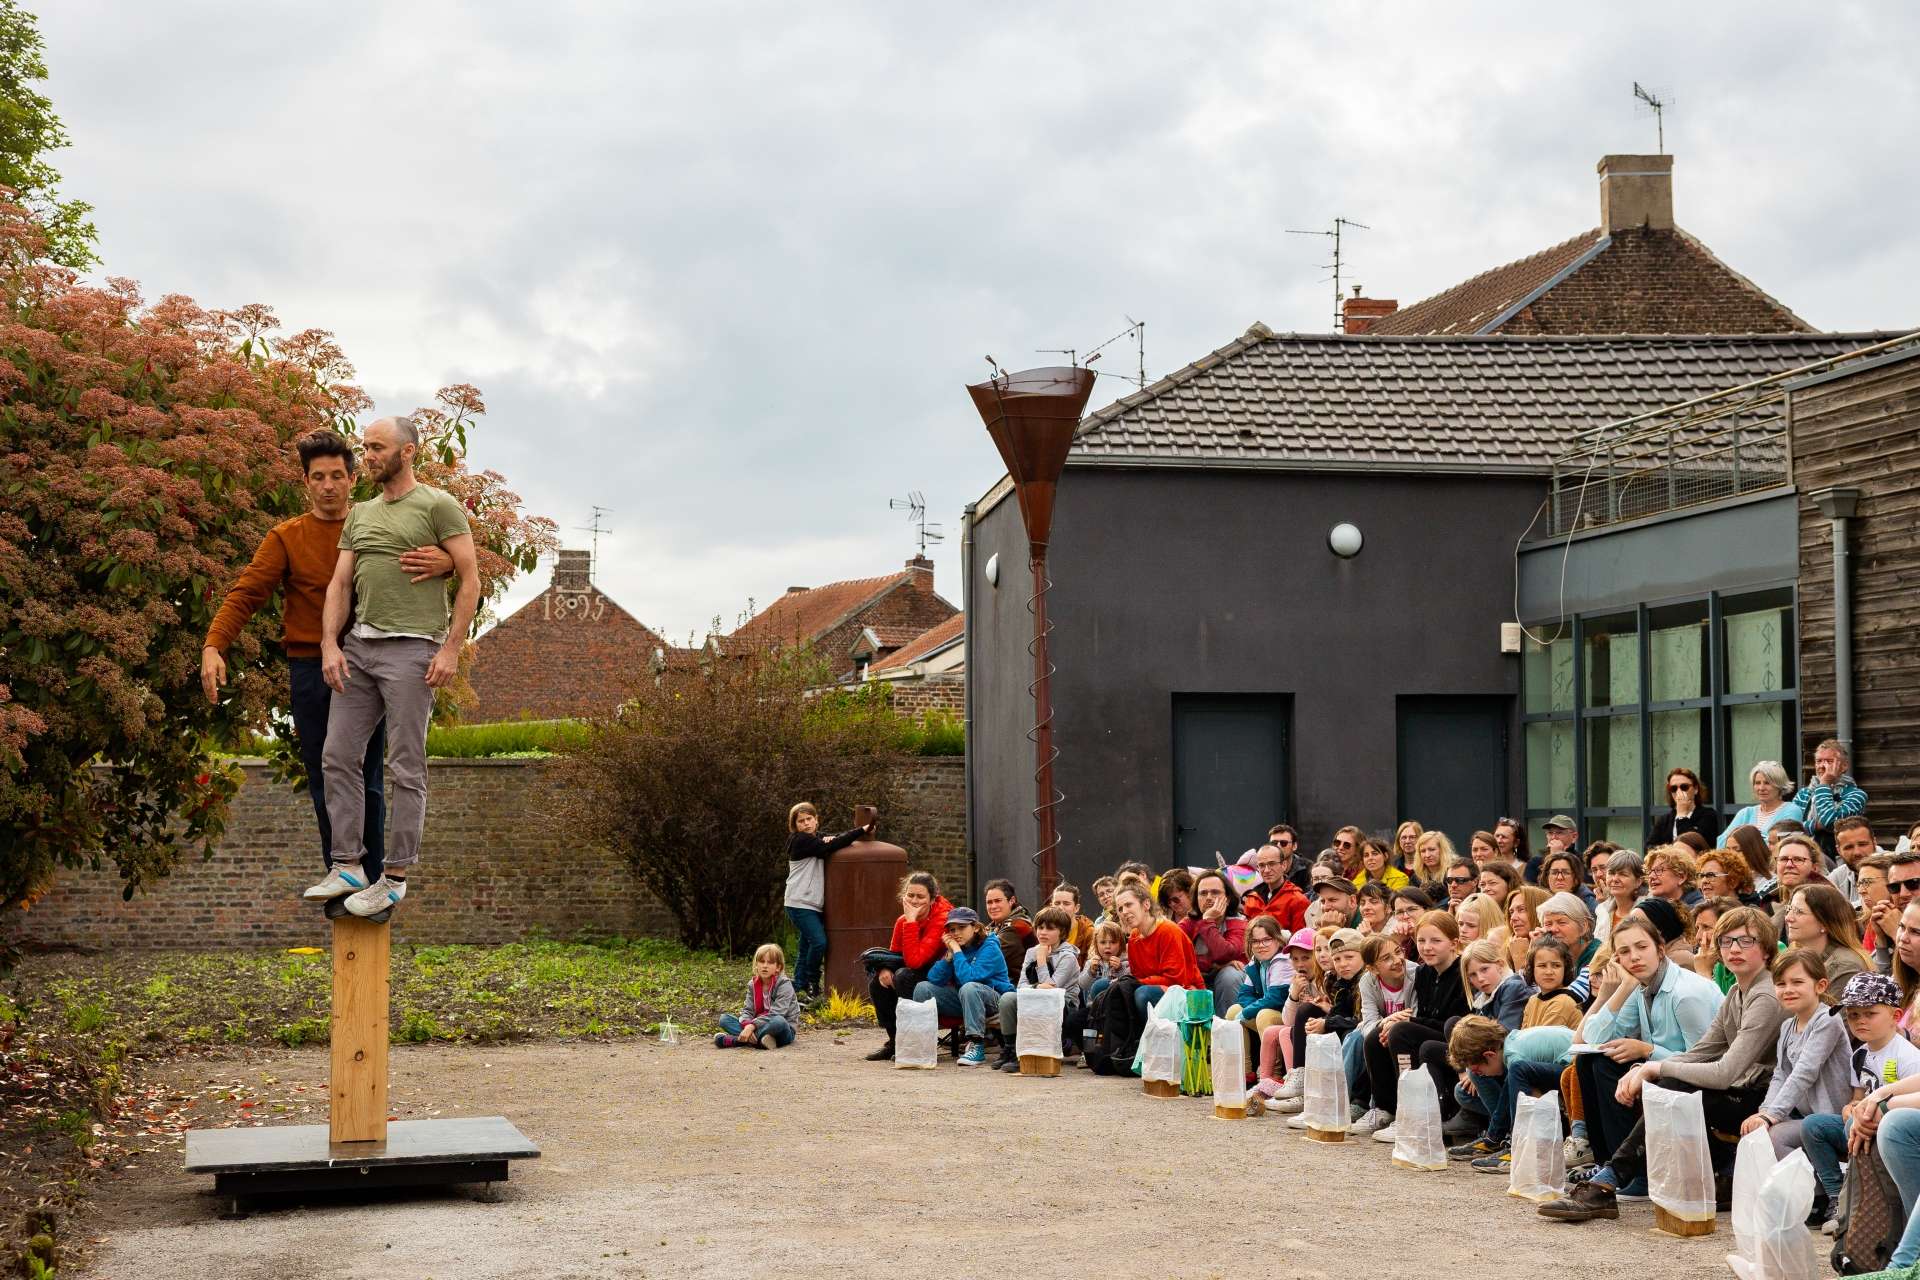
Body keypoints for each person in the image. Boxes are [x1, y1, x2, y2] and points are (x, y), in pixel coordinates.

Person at [204, 431, 452, 897]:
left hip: (373, 660)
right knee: (328, 771)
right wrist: (214, 644)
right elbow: (247, 592)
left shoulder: (377, 522)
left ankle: (379, 881)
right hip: (311, 666)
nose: (328, 485)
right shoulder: (287, 537)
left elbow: (442, 557)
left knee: (373, 776)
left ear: (353, 479)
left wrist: (450, 564)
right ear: (306, 484)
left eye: (337, 475)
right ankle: (344, 871)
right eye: (318, 477)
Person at [305, 416, 479, 919]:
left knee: (406, 767)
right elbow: (340, 584)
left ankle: (395, 876)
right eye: (366, 447)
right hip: (358, 649)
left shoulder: (438, 505)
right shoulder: (360, 514)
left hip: (412, 651)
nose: (369, 455)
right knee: (336, 756)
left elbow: (470, 578)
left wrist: (449, 650)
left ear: (407, 452)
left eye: (377, 447)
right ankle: (347, 866)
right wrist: (329, 645)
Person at [1534, 914, 1724, 1219]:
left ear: (1660, 949)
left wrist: (1648, 1051)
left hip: (1701, 1084)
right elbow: (1589, 1039)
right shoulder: (1640, 987)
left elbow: (1706, 1060)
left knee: (1608, 1065)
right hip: (1663, 1070)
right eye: (1624, 952)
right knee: (1590, 1060)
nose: (1633, 957)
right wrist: (1616, 990)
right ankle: (1609, 1168)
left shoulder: (1687, 994)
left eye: (1641, 947)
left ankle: (1636, 1174)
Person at [1801, 972, 1920, 1229]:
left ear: (1895, 1017)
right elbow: (1857, 1096)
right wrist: (1850, 1107)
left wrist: (1865, 1112)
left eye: (1870, 1014)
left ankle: (1859, 1203)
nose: (1860, 1021)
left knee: (1853, 1124)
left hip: (1889, 1126)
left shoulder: (1907, 1055)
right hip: (1862, 1123)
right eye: (1854, 1014)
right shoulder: (1859, 1054)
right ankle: (1837, 1194)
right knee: (1813, 1126)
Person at [1363, 910, 1471, 1146]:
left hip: (1456, 1042)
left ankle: (1411, 1112)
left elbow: (1453, 1024)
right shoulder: (1423, 972)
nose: (1427, 947)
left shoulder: (1463, 971)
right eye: (1421, 941)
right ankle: (1387, 1109)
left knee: (1401, 1030)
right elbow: (1423, 1016)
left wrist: (1406, 1021)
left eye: (1436, 941)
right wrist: (1395, 1020)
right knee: (1377, 1035)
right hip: (1432, 1035)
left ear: (1454, 943)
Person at [1743, 950, 1850, 1174]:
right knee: (1760, 1134)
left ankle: (1821, 1196)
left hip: (1832, 1118)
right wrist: (1764, 1111)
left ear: (1820, 986)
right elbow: (1781, 1074)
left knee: (1776, 1136)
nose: (1788, 989)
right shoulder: (1787, 1026)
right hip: (1805, 1118)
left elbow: (1805, 1071)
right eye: (1780, 983)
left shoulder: (1828, 1019)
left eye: (1797, 982)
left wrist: (1772, 1116)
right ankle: (1801, 1198)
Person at [782, 802, 874, 1002]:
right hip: (799, 902)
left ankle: (799, 985)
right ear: (795, 825)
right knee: (819, 942)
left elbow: (832, 841)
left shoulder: (814, 839)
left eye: (809, 819)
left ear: (816, 819)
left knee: (806, 946)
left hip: (811, 903)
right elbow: (832, 846)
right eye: (801, 821)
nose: (806, 824)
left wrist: (832, 838)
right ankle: (813, 983)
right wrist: (862, 830)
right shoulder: (800, 841)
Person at [1104, 882, 1202, 1065]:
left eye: (1129, 905)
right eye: (1120, 908)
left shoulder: (1168, 930)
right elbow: (1137, 974)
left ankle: (1154, 1049)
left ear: (1146, 904)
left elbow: (1177, 979)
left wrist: (1138, 983)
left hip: (1185, 992)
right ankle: (1119, 1048)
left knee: (1142, 994)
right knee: (1102, 987)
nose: (1124, 912)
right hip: (1154, 987)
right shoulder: (1133, 937)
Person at [866, 872, 953, 1061]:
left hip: (940, 978)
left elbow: (916, 961)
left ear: (932, 899)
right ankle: (895, 1040)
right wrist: (884, 969)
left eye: (920, 896)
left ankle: (912, 1042)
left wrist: (911, 922)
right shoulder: (901, 921)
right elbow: (894, 955)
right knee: (878, 982)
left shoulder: (941, 920)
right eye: (910, 895)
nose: (914, 900)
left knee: (904, 976)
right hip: (914, 972)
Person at [913, 906, 1013, 1067]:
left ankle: (977, 1045)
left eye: (962, 927)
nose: (956, 933)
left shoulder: (990, 946)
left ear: (975, 927)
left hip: (996, 1002)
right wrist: (949, 957)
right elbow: (934, 978)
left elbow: (969, 978)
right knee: (923, 988)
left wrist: (957, 951)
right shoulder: (957, 949)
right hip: (966, 1000)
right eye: (952, 929)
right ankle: (922, 1045)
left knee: (970, 987)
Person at [994, 906, 1082, 1071]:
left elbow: (1052, 991)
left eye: (1050, 928)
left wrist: (1041, 961)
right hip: (1034, 996)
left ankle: (1046, 1049)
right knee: (1008, 999)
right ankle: (1011, 1049)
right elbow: (1021, 986)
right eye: (1040, 927)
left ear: (1062, 932)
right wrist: (1036, 986)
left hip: (1063, 1005)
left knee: (1043, 1000)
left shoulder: (1068, 957)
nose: (1043, 932)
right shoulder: (1031, 952)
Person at [1260, 929, 1321, 1109]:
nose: (1300, 963)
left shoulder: (1323, 979)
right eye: (1295, 959)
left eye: (1305, 958)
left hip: (1315, 1028)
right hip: (1300, 1028)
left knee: (1287, 1033)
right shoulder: (1296, 981)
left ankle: (1296, 1086)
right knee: (1272, 1032)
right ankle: (1265, 1082)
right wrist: (1294, 995)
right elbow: (1288, 1019)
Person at [1782, 883, 1872, 993]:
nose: (1788, 918)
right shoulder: (1797, 956)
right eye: (1789, 909)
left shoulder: (1845, 967)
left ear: (1824, 923)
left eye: (1799, 912)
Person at [1181, 869, 1248, 1016]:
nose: (1209, 898)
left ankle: (1227, 1029)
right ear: (1196, 898)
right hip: (1198, 980)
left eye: (1215, 892)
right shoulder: (1188, 923)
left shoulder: (1239, 922)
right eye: (1203, 893)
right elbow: (1175, 956)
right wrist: (1214, 965)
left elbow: (1225, 953)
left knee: (1230, 974)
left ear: (1228, 898)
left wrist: (1207, 921)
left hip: (1233, 983)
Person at [715, 944, 800, 1049]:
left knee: (779, 1021)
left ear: (778, 967)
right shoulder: (752, 984)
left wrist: (752, 1026)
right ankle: (762, 1040)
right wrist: (747, 1025)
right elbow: (747, 1011)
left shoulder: (784, 984)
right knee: (724, 1019)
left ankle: (736, 1040)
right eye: (762, 961)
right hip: (758, 1026)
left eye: (770, 962)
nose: (765, 966)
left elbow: (777, 1013)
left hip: (781, 1030)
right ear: (756, 965)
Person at [1801, 737, 1869, 863]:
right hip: (1803, 858)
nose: (1822, 766)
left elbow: (1830, 822)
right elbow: (1790, 828)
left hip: (1838, 862)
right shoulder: (1804, 794)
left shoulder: (1856, 795)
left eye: (1829, 761)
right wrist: (1816, 825)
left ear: (1844, 766)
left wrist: (1824, 784)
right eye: (1819, 761)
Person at [1726, 760, 1806, 839]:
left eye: (1767, 783)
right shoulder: (1745, 813)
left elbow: (1782, 844)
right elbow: (1723, 842)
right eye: (1757, 783)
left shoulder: (1791, 810)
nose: (1761, 788)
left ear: (1779, 785)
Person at [1649, 766, 1724, 849]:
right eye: (1673, 788)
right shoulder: (1665, 820)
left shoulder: (1708, 815)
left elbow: (1690, 845)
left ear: (1695, 789)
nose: (1679, 792)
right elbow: (1649, 847)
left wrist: (1682, 815)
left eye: (1684, 787)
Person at [1462, 938, 1529, 1030]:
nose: (1480, 979)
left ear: (1500, 965)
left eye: (1484, 969)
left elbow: (1505, 1032)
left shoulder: (1513, 988)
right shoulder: (1481, 996)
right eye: (1473, 974)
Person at [1872, 850, 1920, 977]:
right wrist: (1881, 940)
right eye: (1895, 887)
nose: (1903, 894)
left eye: (1914, 883)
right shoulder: (1887, 918)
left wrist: (1897, 933)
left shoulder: (1895, 925)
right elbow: (1882, 983)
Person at [1244, 844, 1311, 931]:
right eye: (1262, 865)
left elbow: (1299, 940)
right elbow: (1245, 937)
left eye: (1272, 864)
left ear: (1283, 865)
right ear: (1257, 868)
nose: (1267, 870)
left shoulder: (1298, 900)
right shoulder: (1252, 899)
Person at [982, 878, 1035, 980]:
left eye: (998, 901)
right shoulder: (990, 927)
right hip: (994, 983)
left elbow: (989, 960)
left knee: (970, 988)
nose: (993, 906)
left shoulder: (1017, 926)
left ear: (1012, 901)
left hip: (1015, 987)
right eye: (989, 902)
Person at [1593, 849, 1646, 940]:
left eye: (1623, 874)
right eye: (1611, 873)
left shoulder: (1647, 912)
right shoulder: (1602, 911)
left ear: (1638, 882)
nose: (1615, 879)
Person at [1830, 816, 1878, 909]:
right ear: (1838, 850)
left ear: (1874, 842)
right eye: (1849, 847)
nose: (1857, 852)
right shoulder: (1837, 876)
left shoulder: (1892, 869)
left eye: (1862, 844)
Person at [1505, 886, 1551, 971]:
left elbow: (1522, 984)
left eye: (1521, 909)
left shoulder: (1555, 952)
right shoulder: (1511, 949)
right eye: (1511, 912)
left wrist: (1520, 960)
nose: (1513, 918)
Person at [1049, 882, 1097, 957]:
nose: (1061, 908)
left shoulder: (1088, 933)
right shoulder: (1042, 930)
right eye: (1057, 903)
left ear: (1076, 908)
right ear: (1051, 906)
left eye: (1066, 904)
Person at [1310, 866, 1362, 930]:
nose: (1326, 907)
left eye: (1332, 900)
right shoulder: (1320, 923)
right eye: (1323, 901)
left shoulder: (1369, 923)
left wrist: (1330, 930)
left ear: (1352, 901)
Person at [1409, 830, 1456, 899]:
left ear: (1442, 850)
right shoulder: (1416, 878)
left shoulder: (1454, 873)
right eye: (1423, 851)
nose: (1427, 855)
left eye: (1432, 849)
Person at [1535, 816, 1578, 886]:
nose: (1553, 837)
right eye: (1550, 833)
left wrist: (1559, 856)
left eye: (1559, 833)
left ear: (1574, 837)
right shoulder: (1535, 862)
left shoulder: (1581, 860)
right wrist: (1552, 858)